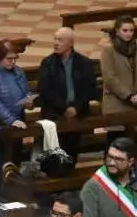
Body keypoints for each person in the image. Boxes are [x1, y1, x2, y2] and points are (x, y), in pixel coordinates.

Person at [36, 27, 99, 161]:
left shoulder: (84, 63)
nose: (56, 43)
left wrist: (75, 108)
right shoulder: (48, 64)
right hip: (55, 114)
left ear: (70, 43)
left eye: (60, 40)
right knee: (55, 154)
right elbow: (45, 90)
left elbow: (90, 89)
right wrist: (65, 108)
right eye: (55, 39)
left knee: (71, 152)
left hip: (78, 113)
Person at [100, 15, 137, 115]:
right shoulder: (108, 49)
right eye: (125, 30)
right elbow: (109, 78)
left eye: (131, 30)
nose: (129, 34)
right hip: (116, 104)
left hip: (136, 104)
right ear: (117, 31)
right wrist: (128, 96)